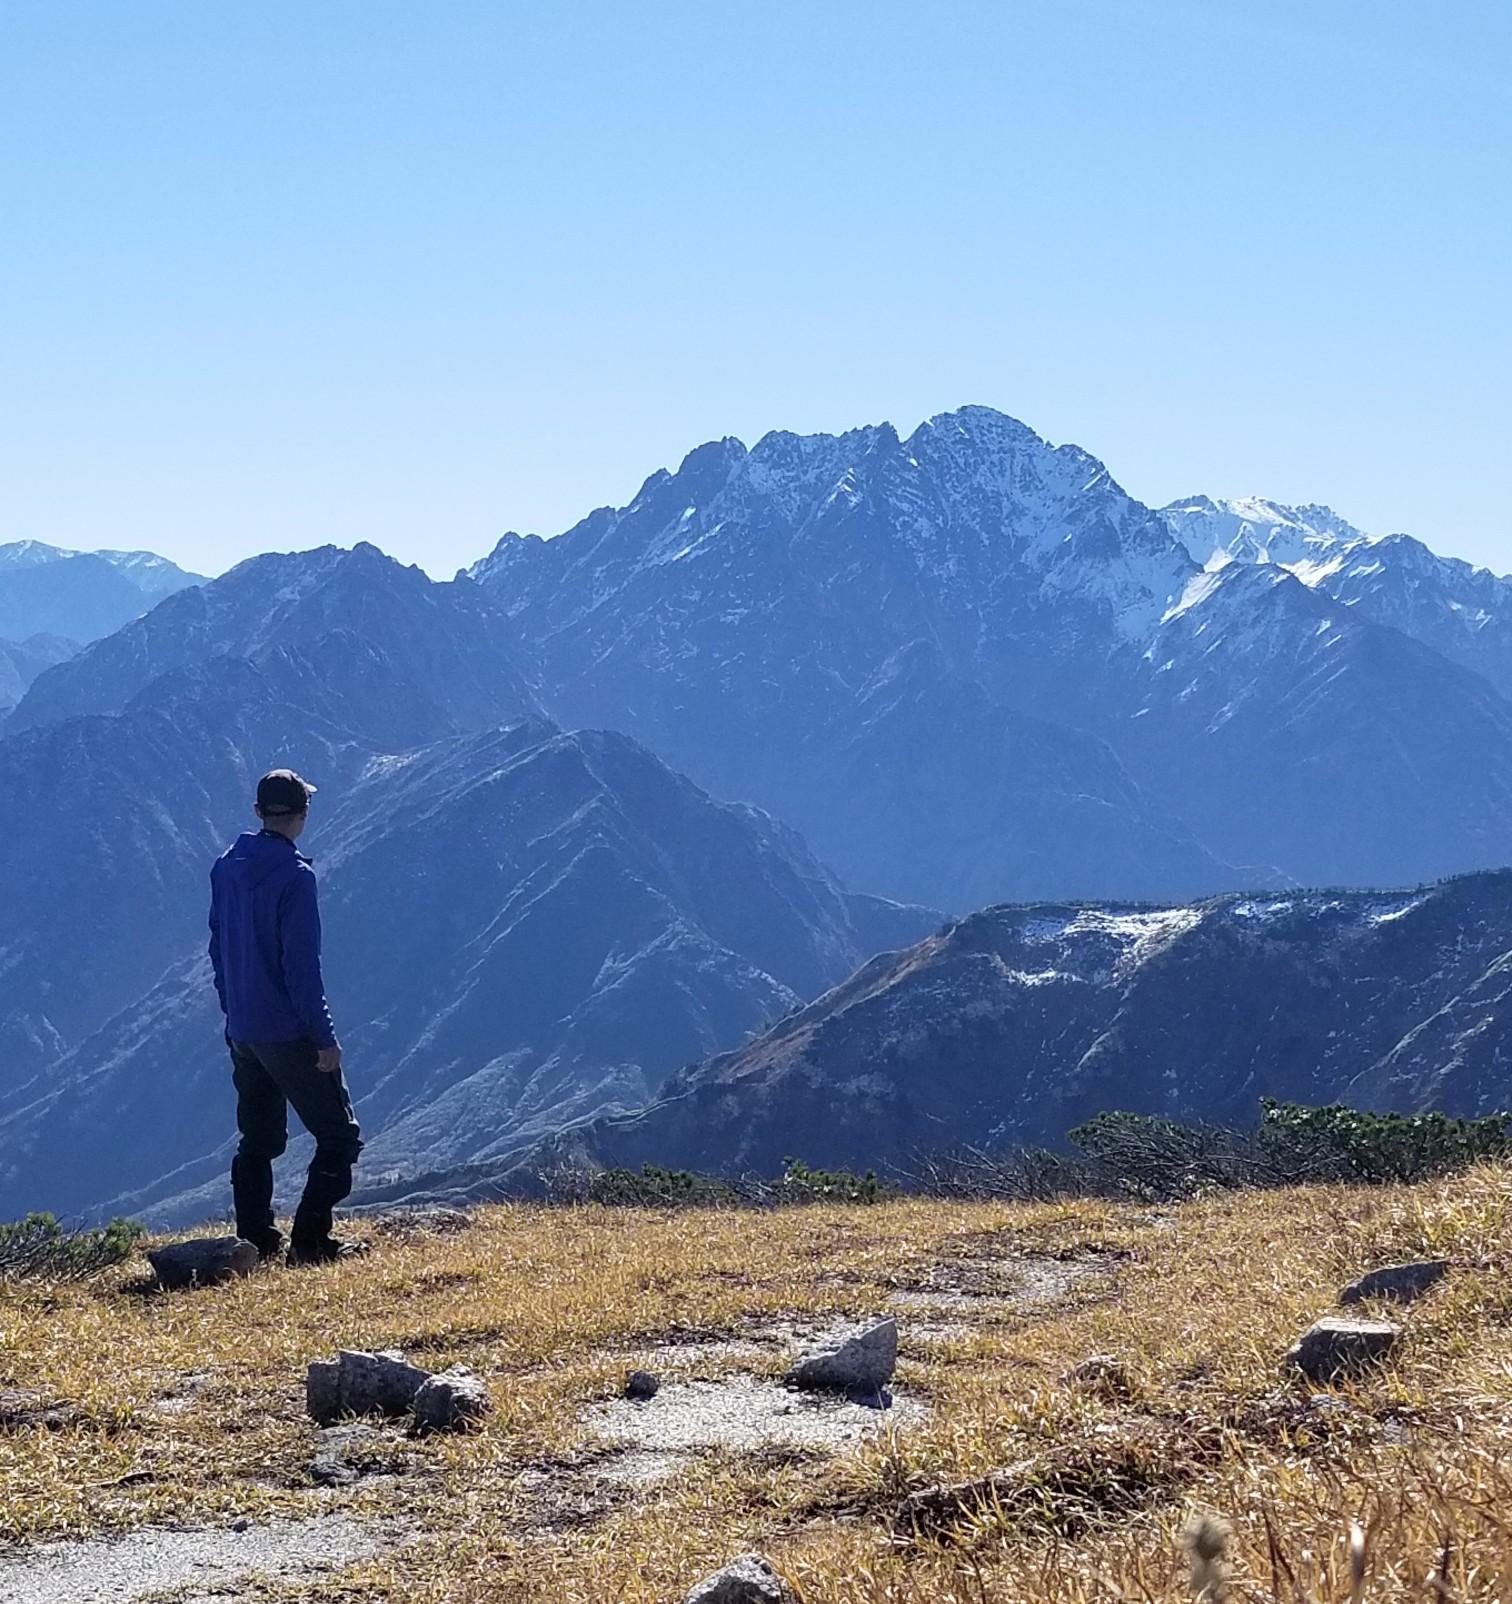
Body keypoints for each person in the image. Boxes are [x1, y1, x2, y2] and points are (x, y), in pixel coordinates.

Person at [208, 768, 363, 1266]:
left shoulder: (226, 868)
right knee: (339, 1136)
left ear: (258, 812)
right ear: (303, 814)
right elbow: (301, 969)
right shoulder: (296, 877)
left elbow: (217, 949)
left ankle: (254, 1241)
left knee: (258, 1139)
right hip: (287, 1031)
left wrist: (232, 1012)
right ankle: (311, 1243)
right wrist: (325, 1039)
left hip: (244, 1031)